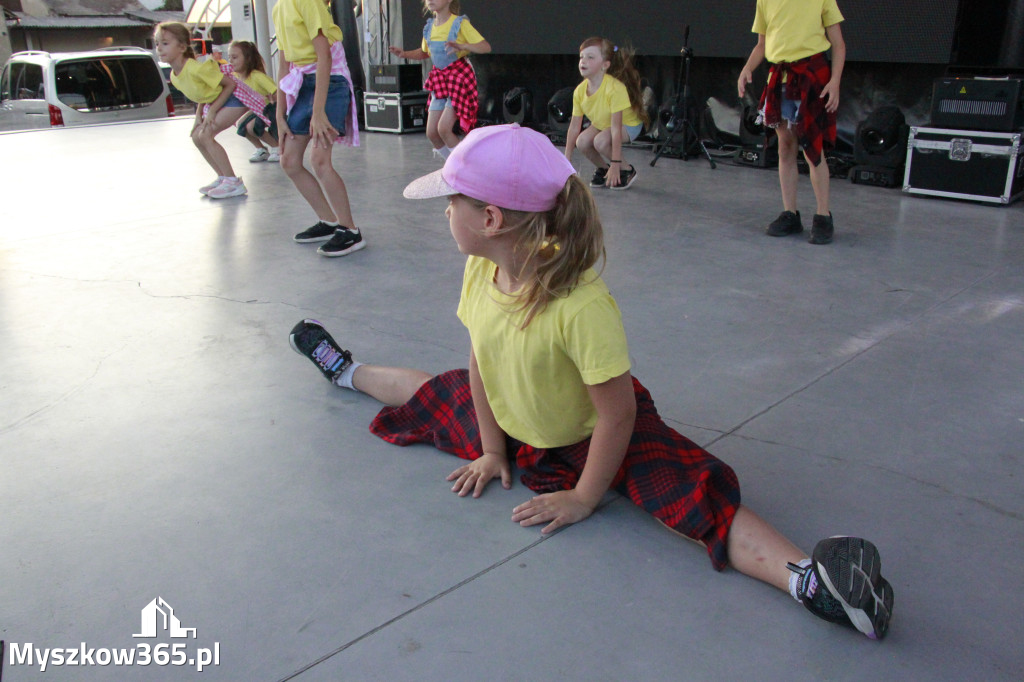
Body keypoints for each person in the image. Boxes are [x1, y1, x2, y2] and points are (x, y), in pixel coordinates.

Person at [288, 124, 894, 640]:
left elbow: (618, 414)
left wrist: (584, 495)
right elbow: (479, 360)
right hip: (511, 417)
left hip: (593, 436)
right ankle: (347, 370)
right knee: (431, 392)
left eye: (452, 201)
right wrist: (492, 448)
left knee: (688, 486)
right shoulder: (480, 270)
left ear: (491, 218)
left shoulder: (582, 306)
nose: (445, 212)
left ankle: (811, 580)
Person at [737, 0, 846, 245]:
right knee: (785, 146)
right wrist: (747, 68)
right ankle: (790, 213)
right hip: (780, 79)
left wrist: (835, 82)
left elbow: (838, 45)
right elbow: (762, 45)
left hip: (811, 76)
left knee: (812, 148)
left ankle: (823, 215)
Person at [273, 0, 365, 257]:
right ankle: (328, 221)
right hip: (302, 84)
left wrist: (318, 111)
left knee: (319, 160)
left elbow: (324, 55)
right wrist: (280, 116)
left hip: (330, 82)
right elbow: (283, 66)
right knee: (289, 161)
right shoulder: (278, 8)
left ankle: (350, 231)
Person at [155, 22, 248, 199]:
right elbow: (203, 95)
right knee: (197, 136)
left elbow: (230, 85)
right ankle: (222, 177)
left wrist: (211, 111)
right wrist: (198, 117)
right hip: (216, 103)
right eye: (157, 43)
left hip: (233, 99)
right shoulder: (175, 76)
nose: (159, 48)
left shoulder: (196, 68)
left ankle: (233, 182)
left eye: (165, 43)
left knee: (205, 135)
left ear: (182, 47)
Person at [388, 0, 490, 160]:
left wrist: (464, 46)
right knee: (432, 133)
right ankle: (451, 166)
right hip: (440, 80)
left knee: (444, 128)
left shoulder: (459, 23)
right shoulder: (429, 27)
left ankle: (465, 166)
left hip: (458, 79)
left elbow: (485, 47)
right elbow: (424, 52)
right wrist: (404, 54)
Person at [564, 37, 649, 190]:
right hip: (603, 123)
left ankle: (626, 170)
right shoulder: (579, 91)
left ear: (605, 65)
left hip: (627, 125)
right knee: (581, 141)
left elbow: (616, 129)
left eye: (590, 57)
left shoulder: (615, 89)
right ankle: (604, 169)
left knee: (600, 141)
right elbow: (574, 128)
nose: (583, 61)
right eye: (581, 57)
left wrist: (615, 164)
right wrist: (566, 162)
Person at [228, 40, 280, 163]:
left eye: (234, 57)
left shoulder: (256, 76)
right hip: (255, 110)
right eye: (229, 57)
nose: (230, 61)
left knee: (251, 126)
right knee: (240, 123)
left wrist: (275, 108)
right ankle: (261, 149)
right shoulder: (235, 77)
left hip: (266, 108)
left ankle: (277, 147)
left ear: (248, 58)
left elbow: (276, 91)